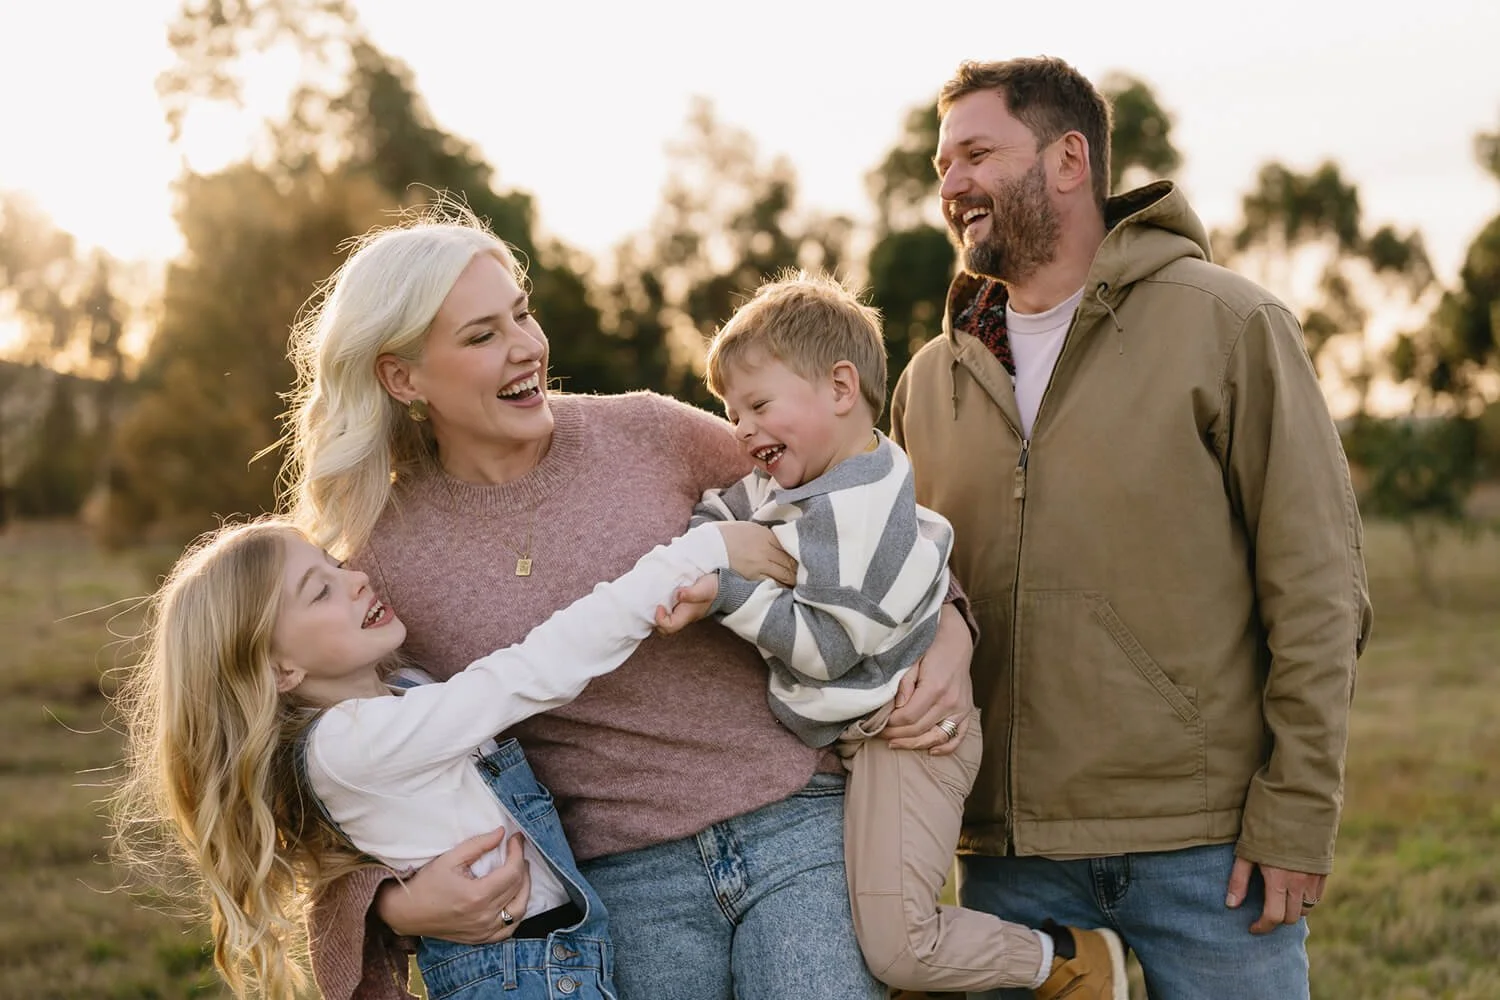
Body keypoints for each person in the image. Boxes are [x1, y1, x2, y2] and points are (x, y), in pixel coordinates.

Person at [277, 204, 980, 1000]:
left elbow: (859, 499)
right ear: (402, 377)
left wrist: (952, 627)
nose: (527, 346)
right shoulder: (378, 563)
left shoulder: (647, 432)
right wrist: (396, 907)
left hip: (798, 824)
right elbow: (336, 781)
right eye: (481, 335)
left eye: (522, 313)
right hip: (621, 885)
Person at [890, 57, 1374, 1000]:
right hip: (1008, 862)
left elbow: (1319, 592)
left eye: (977, 154)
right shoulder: (926, 382)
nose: (950, 186)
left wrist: (1298, 815)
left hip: (1206, 854)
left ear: (1070, 159)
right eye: (940, 166)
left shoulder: (1229, 326)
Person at [657, 271, 1127, 999]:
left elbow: (822, 647)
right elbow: (718, 511)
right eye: (731, 411)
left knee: (900, 945)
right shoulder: (796, 480)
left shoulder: (865, 507)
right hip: (863, 737)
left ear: (841, 390)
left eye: (756, 405)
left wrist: (727, 590)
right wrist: (719, 544)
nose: (740, 429)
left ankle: (1066, 962)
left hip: (911, 738)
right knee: (869, 926)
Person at [112, 515, 778, 998]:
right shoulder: (347, 747)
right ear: (280, 669)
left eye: (336, 565)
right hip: (518, 980)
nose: (356, 580)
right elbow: (526, 673)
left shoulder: (402, 692)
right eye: (319, 591)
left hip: (560, 960)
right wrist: (693, 553)